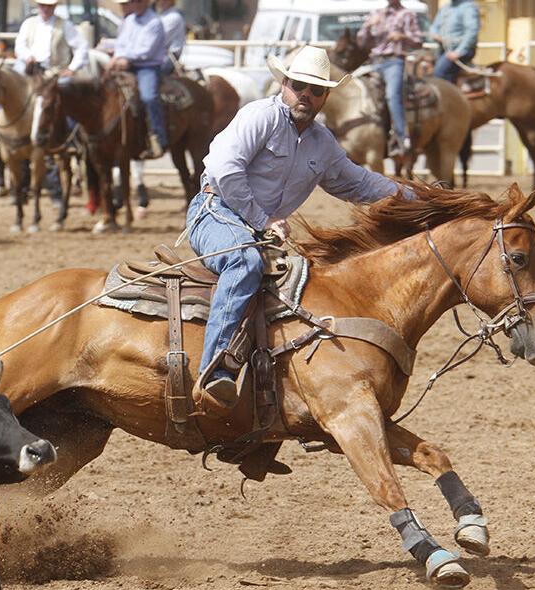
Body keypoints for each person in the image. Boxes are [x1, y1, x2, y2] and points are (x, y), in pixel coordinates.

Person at [188, 47, 409, 408]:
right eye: (298, 85)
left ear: (326, 97)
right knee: (244, 263)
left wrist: (418, 198)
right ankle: (215, 369)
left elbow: (359, 183)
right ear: (284, 84)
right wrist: (263, 220)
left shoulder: (322, 143)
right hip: (215, 211)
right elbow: (226, 171)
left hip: (259, 229)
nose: (305, 94)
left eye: (315, 89)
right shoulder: (260, 116)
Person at [357, 0, 423, 157]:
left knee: (392, 96)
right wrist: (367, 26)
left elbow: (419, 41)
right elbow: (361, 42)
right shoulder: (376, 13)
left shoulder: (407, 15)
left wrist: (402, 36)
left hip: (394, 61)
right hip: (374, 62)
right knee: (357, 91)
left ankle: (402, 137)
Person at [111, 0, 167, 159]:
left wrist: (124, 58)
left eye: (138, 1)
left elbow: (146, 51)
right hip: (126, 64)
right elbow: (120, 44)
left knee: (148, 96)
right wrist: (118, 57)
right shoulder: (129, 21)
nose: (135, 4)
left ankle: (157, 137)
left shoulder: (154, 22)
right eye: (134, 1)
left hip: (147, 66)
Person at [13, 0, 89, 78]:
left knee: (64, 84)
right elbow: (20, 46)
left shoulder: (65, 25)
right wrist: (28, 56)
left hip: (55, 71)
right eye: (42, 5)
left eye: (49, 6)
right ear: (38, 5)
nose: (45, 9)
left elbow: (81, 46)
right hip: (29, 68)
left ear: (55, 6)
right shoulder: (28, 23)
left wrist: (72, 68)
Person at [428, 0, 479, 84]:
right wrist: (435, 34)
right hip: (443, 49)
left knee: (439, 72)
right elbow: (434, 27)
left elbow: (471, 32)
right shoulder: (446, 8)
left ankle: (448, 96)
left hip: (460, 50)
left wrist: (458, 52)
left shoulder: (468, 7)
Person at [155, 0, 186, 73]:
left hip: (168, 57)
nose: (162, 1)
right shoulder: (162, 15)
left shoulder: (174, 16)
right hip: (159, 55)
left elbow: (158, 39)